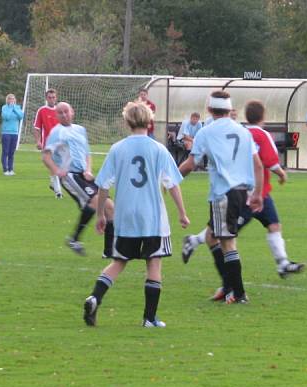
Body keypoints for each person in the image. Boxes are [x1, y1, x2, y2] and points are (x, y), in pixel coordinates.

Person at [83, 101, 190, 328]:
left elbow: (103, 185)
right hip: (152, 217)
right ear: (150, 121)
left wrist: (101, 214)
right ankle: (149, 318)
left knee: (119, 261)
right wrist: (182, 212)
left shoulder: (117, 148)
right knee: (154, 262)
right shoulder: (159, 149)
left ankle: (95, 297)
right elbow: (172, 184)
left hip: (125, 217)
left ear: (127, 122)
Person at [182, 99, 304, 282]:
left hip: (254, 192)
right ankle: (200, 247)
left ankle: (282, 263)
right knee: (223, 234)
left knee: (272, 225)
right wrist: (282, 174)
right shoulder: (260, 135)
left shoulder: (241, 131)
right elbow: (270, 162)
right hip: (248, 193)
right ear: (264, 116)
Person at [178, 90, 264, 304]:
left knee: (228, 244)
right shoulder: (243, 131)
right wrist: (258, 194)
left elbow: (190, 164)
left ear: (209, 109)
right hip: (241, 191)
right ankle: (227, 286)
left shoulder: (206, 132)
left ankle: (239, 293)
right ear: (229, 109)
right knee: (211, 237)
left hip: (223, 192)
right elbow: (259, 166)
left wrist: (169, 178)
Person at [41, 102, 114, 258]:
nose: (64, 115)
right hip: (70, 175)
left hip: (83, 174)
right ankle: (74, 239)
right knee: (95, 203)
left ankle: (109, 252)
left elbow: (87, 153)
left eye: (66, 111)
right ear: (56, 115)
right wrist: (57, 171)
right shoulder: (56, 132)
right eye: (60, 113)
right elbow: (46, 156)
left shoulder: (81, 130)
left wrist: (88, 169)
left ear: (72, 111)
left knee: (109, 207)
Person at [33, 88, 62, 197]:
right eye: (49, 97)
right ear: (46, 98)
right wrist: (38, 141)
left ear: (56, 98)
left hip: (60, 144)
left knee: (60, 167)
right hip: (47, 144)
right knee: (53, 166)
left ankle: (53, 184)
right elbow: (36, 128)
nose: (51, 99)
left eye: (53, 97)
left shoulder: (60, 110)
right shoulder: (42, 110)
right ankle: (58, 192)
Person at [0, 93, 24, 176]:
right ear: (7, 100)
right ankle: (5, 169)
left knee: (11, 152)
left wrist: (14, 108)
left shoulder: (17, 107)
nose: (11, 100)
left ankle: (11, 169)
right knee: (5, 151)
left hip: (15, 133)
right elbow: (6, 117)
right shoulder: (4, 107)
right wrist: (10, 108)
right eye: (10, 99)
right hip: (6, 133)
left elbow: (21, 116)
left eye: (13, 99)